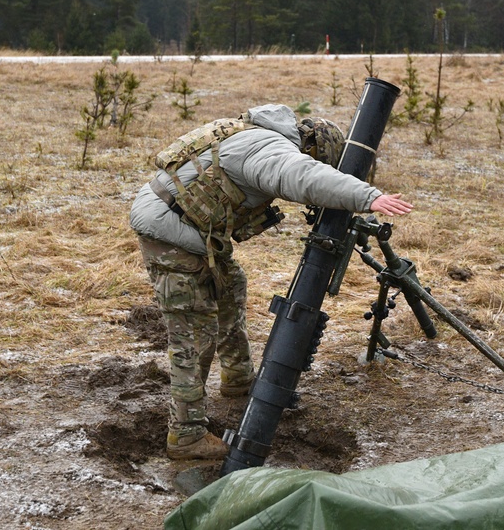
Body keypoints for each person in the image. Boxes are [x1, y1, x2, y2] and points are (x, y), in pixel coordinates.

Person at [129, 103, 412, 460]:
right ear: (314, 149)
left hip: (188, 227)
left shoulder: (254, 132)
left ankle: (238, 379)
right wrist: (369, 197)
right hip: (169, 233)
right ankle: (185, 436)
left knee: (231, 288)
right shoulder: (268, 148)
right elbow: (302, 176)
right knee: (193, 332)